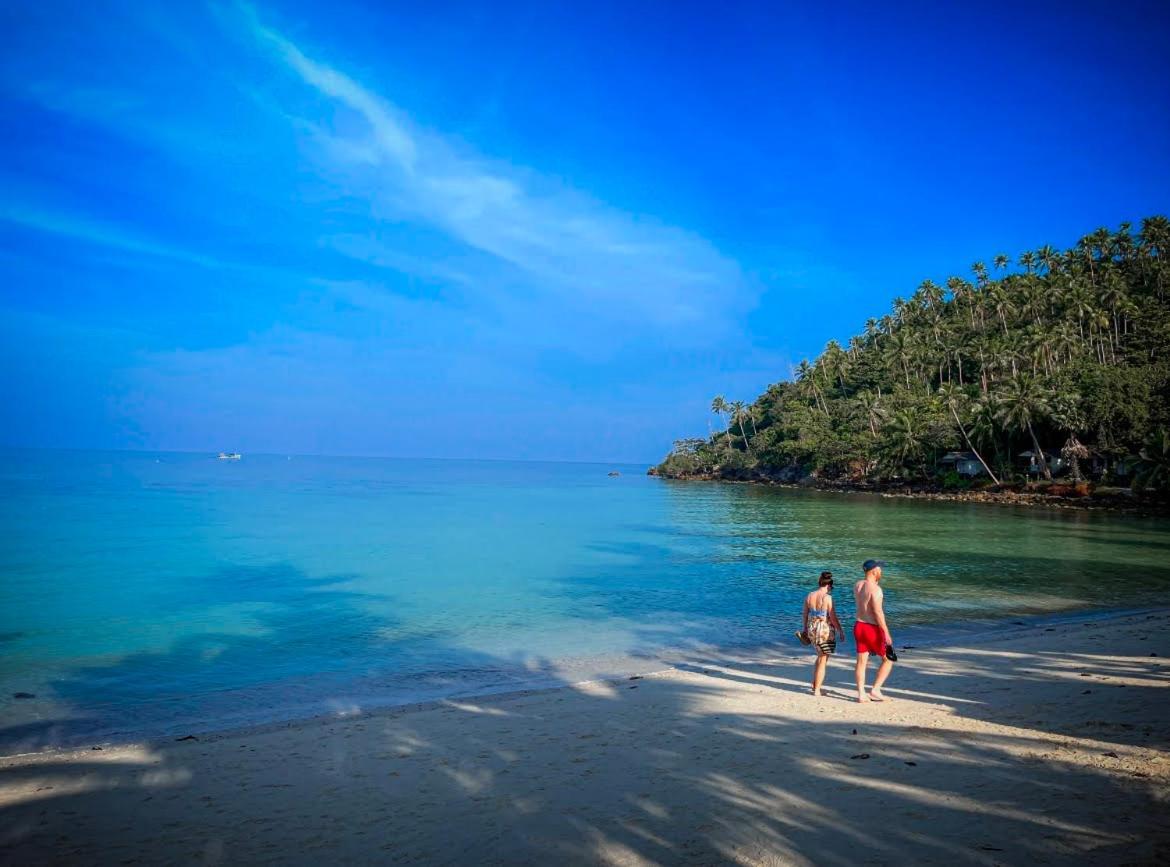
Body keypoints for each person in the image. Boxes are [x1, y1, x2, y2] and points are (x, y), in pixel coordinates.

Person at [853, 559, 894, 703]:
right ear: (874, 571)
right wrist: (886, 632)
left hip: (859, 625)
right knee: (888, 659)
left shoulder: (857, 585)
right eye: (880, 569)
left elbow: (864, 600)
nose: (881, 571)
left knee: (861, 661)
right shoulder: (876, 590)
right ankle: (875, 690)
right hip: (872, 628)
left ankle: (861, 694)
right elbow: (877, 612)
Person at [801, 571, 845, 696]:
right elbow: (833, 617)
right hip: (824, 629)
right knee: (823, 658)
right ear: (829, 585)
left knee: (820, 656)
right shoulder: (827, 598)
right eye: (831, 587)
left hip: (812, 628)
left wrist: (805, 629)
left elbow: (805, 614)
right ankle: (817, 690)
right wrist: (840, 630)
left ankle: (815, 684)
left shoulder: (810, 595)